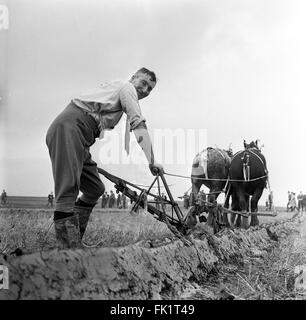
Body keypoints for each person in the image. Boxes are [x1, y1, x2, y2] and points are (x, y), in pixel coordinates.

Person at [46, 67, 163, 248]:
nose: (145, 90)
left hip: (82, 136)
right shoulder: (127, 88)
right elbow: (138, 122)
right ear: (133, 78)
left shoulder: (121, 89)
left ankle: (75, 242)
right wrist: (152, 160)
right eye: (144, 83)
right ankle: (67, 251)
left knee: (94, 188)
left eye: (150, 89)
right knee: (68, 189)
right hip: (70, 127)